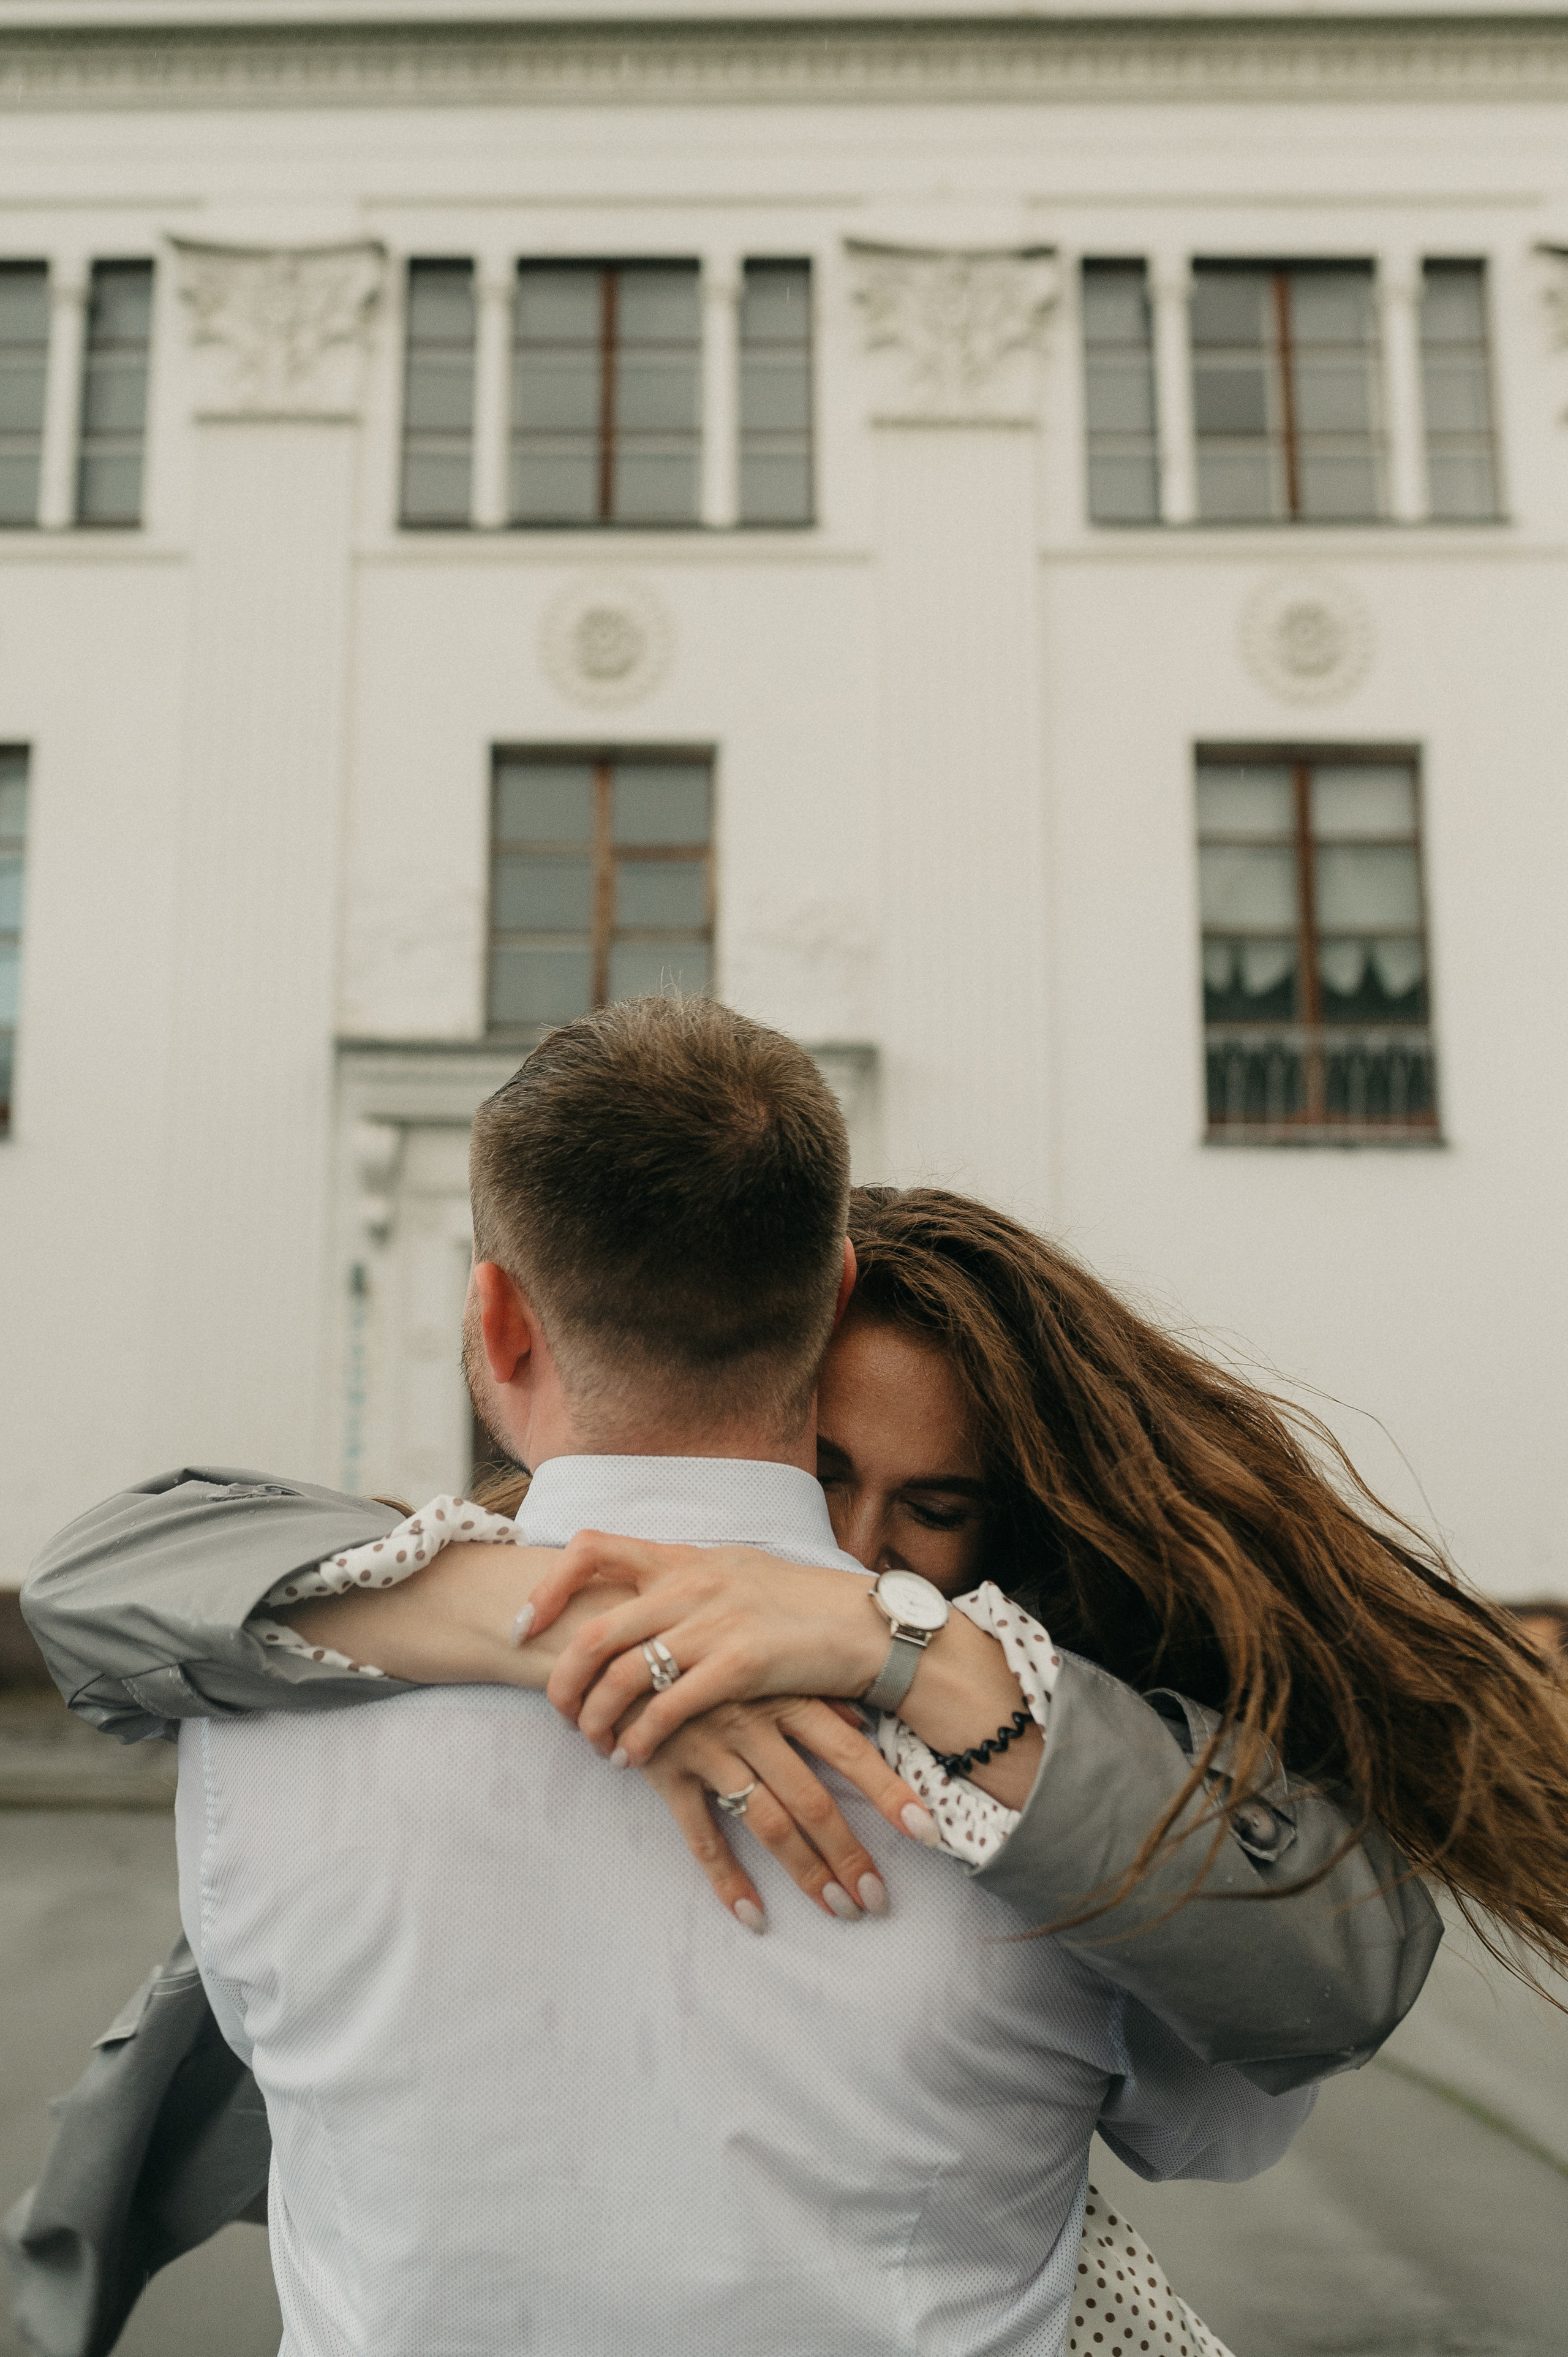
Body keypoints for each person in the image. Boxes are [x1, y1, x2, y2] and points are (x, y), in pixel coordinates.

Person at [17, 998, 1323, 2357]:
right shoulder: (1043, 1775)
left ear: (498, 1322)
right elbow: (1223, 2124)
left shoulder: (264, 1716)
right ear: (830, 1304)